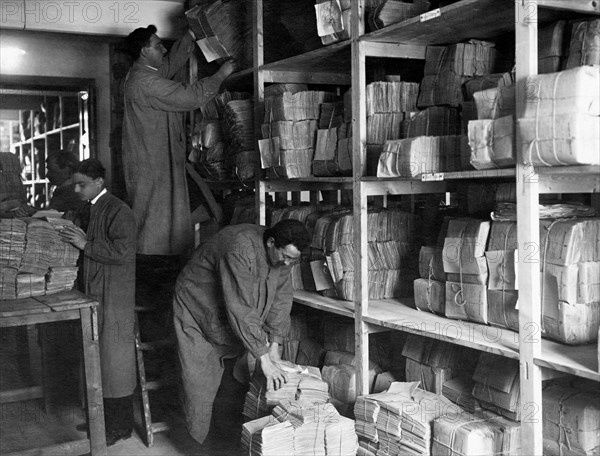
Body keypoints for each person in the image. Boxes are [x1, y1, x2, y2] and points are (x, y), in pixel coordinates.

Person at [173, 219, 311, 445]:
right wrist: (264, 358)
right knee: (198, 385)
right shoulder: (238, 247)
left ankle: (226, 440)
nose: (287, 263)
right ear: (271, 242)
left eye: (292, 259)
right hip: (196, 310)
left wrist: (274, 348)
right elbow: (240, 306)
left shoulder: (285, 258)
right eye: (285, 256)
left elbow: (281, 299)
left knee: (234, 380)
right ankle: (198, 445)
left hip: (229, 320)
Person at [121, 24, 237, 257]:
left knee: (172, 218)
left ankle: (162, 261)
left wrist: (190, 35)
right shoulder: (145, 83)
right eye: (157, 45)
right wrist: (221, 75)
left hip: (157, 163)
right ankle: (157, 267)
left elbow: (168, 66)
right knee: (158, 226)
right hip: (155, 167)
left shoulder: (142, 74)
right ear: (144, 52)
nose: (163, 50)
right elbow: (190, 96)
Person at [59, 158, 137, 447]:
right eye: (76, 183)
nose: (77, 189)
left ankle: (121, 426)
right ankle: (101, 421)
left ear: (99, 183)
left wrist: (85, 244)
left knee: (115, 362)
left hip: (115, 295)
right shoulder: (90, 207)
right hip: (93, 291)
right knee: (95, 357)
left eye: (83, 184)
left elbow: (123, 252)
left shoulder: (119, 210)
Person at [46, 149, 84, 213]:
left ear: (66, 169)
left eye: (52, 170)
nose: (47, 175)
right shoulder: (63, 190)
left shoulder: (75, 194)